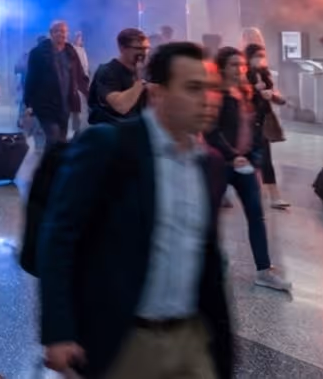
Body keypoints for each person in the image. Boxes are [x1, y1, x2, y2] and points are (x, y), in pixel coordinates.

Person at [38, 42, 233, 379]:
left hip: (192, 339)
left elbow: (208, 256)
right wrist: (59, 330)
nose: (207, 99)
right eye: (192, 88)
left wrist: (222, 342)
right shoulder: (110, 147)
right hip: (129, 341)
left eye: (212, 89)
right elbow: (59, 236)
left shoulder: (210, 164)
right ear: (157, 94)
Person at [207, 48, 293, 291]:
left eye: (241, 65)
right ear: (222, 67)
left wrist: (253, 156)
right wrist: (232, 156)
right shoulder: (216, 95)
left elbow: (256, 126)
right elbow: (211, 131)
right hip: (222, 165)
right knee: (208, 219)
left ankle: (264, 271)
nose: (240, 69)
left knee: (256, 215)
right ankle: (206, 266)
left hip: (245, 165)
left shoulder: (245, 92)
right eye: (234, 65)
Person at [23, 21, 87, 145]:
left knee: (61, 140)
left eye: (63, 31)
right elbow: (31, 79)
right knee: (53, 138)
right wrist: (29, 103)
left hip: (65, 104)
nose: (60, 34)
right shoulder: (38, 53)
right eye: (57, 31)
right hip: (45, 104)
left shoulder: (71, 52)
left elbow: (80, 76)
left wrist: (89, 94)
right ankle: (49, 164)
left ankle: (55, 163)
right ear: (51, 33)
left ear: (67, 33)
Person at [243, 43, 290, 210]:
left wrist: (277, 98)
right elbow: (240, 96)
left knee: (264, 158)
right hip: (247, 121)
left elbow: (271, 93)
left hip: (262, 120)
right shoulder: (244, 74)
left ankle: (273, 196)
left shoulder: (263, 73)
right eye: (257, 56)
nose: (260, 59)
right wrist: (255, 91)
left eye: (262, 56)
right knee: (247, 157)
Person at [90, 28, 150, 124]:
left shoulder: (144, 71)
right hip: (112, 133)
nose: (144, 53)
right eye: (139, 49)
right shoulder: (107, 72)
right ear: (122, 48)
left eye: (146, 48)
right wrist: (141, 82)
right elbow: (121, 106)